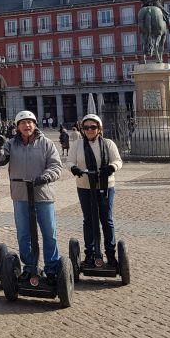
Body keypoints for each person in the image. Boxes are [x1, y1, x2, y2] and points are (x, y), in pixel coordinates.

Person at [0, 111, 63, 286]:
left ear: (35, 124)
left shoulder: (46, 144)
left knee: (49, 233)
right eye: (23, 123)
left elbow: (56, 166)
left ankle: (51, 268)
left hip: (43, 195)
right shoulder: (11, 144)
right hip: (21, 195)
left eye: (30, 122)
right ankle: (30, 267)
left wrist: (46, 176)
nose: (27, 125)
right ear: (17, 126)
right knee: (24, 234)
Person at [65, 114, 123, 267]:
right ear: (82, 129)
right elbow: (69, 161)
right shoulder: (77, 145)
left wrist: (112, 167)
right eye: (86, 128)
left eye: (93, 127)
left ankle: (110, 254)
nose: (89, 130)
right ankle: (89, 254)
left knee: (107, 220)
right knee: (89, 220)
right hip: (84, 186)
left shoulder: (108, 144)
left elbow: (118, 160)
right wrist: (74, 168)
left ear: (99, 128)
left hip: (105, 186)